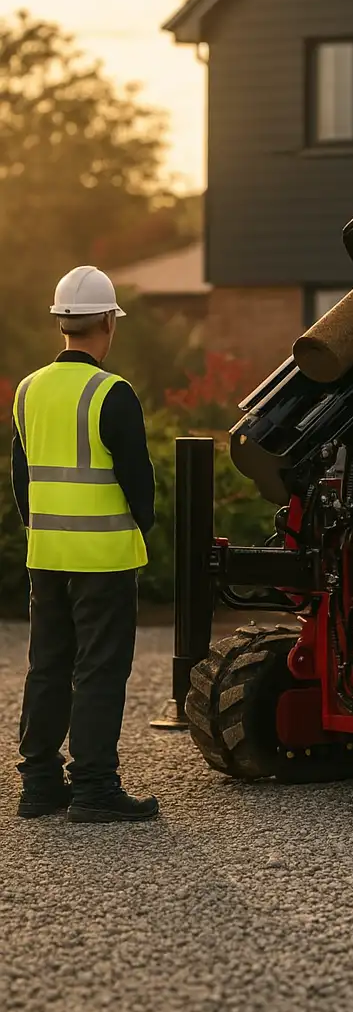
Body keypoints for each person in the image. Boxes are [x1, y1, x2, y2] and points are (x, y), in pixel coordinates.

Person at [12, 266, 159, 823]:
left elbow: (21, 480)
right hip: (103, 560)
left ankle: (40, 787)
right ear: (107, 323)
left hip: (45, 556)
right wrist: (142, 527)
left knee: (46, 665)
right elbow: (138, 482)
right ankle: (95, 789)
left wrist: (42, 530)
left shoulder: (27, 390)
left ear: (61, 325)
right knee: (99, 669)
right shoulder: (111, 392)